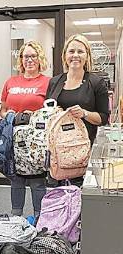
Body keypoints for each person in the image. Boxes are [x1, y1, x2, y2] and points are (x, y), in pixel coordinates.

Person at [46, 34, 109, 186]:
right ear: (65, 55)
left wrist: (84, 113)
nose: (75, 55)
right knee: (59, 198)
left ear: (87, 56)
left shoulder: (96, 83)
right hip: (59, 153)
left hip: (83, 152)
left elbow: (104, 118)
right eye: (71, 51)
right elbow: (47, 111)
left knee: (82, 198)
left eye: (80, 52)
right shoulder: (55, 82)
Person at [0, 40, 50, 218]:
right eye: (25, 56)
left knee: (37, 182)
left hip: (36, 141)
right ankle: (16, 219)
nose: (29, 60)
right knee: (16, 180)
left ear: (39, 58)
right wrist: (7, 115)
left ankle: (40, 219)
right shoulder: (11, 82)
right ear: (21, 59)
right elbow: (2, 109)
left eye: (33, 56)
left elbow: (51, 111)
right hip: (14, 139)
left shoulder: (47, 82)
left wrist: (34, 116)